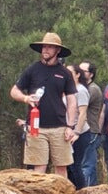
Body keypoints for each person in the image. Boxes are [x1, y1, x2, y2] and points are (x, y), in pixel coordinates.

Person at [9, 33, 77, 178]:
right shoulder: (33, 69)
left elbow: (72, 100)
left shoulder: (65, 73)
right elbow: (14, 91)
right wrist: (26, 98)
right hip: (35, 127)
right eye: (44, 46)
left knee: (61, 168)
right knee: (39, 169)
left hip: (59, 127)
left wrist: (71, 126)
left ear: (57, 50)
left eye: (50, 47)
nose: (45, 50)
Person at [75, 61, 103, 187]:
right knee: (80, 163)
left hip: (90, 131)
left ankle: (87, 193)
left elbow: (77, 105)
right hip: (82, 130)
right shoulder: (81, 88)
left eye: (84, 71)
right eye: (79, 70)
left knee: (87, 165)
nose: (80, 73)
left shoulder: (92, 89)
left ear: (91, 74)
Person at [65, 64, 91, 188]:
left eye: (70, 72)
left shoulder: (81, 90)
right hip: (68, 132)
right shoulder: (67, 90)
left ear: (78, 74)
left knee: (76, 165)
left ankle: (82, 192)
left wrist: (77, 132)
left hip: (80, 133)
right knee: (68, 166)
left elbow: (83, 114)